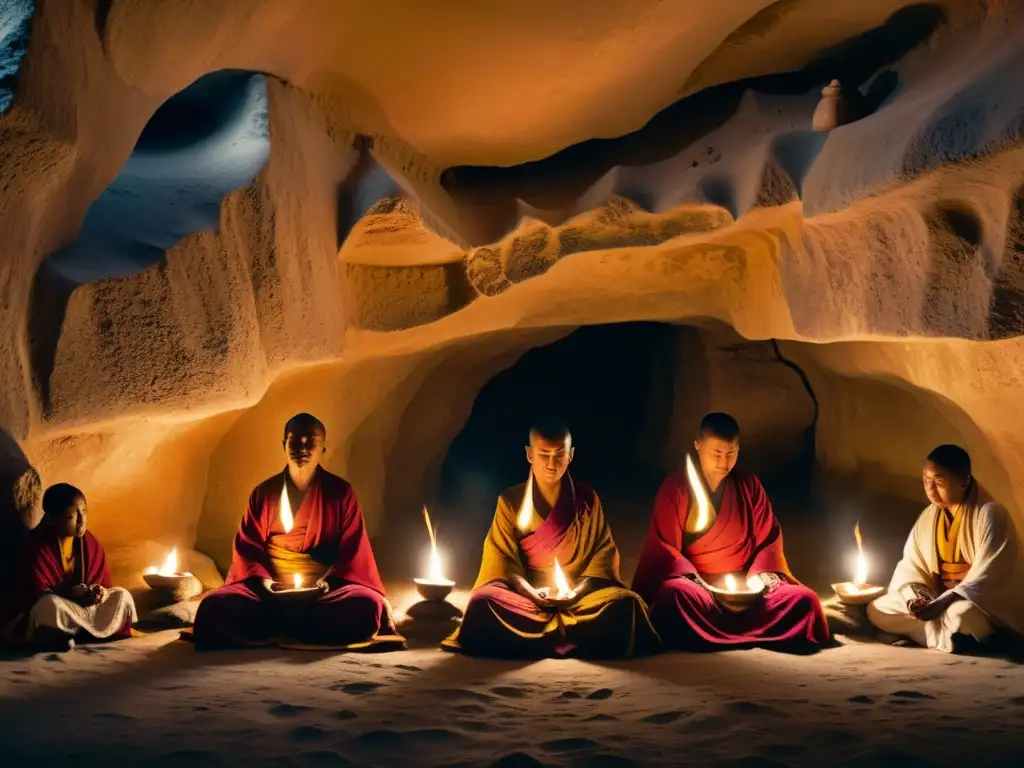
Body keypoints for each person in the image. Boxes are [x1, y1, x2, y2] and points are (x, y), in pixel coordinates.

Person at [443, 419, 659, 658]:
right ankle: (577, 636)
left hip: (580, 598)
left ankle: (533, 640)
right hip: (526, 598)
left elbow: (602, 555)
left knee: (627, 604)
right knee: (482, 603)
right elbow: (503, 561)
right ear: (529, 454)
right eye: (543, 454)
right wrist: (532, 595)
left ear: (571, 455)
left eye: (559, 455)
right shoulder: (510, 501)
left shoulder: (587, 500)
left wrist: (576, 593)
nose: (551, 463)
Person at [191, 413, 403, 650]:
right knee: (214, 606)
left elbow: (352, 549)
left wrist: (327, 583)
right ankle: (302, 628)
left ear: (323, 447)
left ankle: (278, 626)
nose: (302, 447)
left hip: (323, 589)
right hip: (270, 589)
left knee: (365, 606)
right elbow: (247, 548)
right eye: (294, 440)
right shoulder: (264, 493)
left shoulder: (340, 493)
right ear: (284, 444)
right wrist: (264, 583)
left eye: (310, 441)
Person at [631, 412, 829, 652]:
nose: (723, 463)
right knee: (673, 596)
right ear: (698, 445)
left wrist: (761, 577)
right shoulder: (676, 488)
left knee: (805, 601)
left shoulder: (749, 485)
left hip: (747, 588)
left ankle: (720, 633)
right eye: (716, 453)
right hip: (700, 590)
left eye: (731, 453)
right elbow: (665, 549)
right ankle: (746, 631)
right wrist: (697, 582)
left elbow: (769, 541)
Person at [867, 445, 1024, 653]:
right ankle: (951, 640)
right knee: (877, 608)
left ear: (964, 481)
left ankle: (930, 636)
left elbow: (989, 578)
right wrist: (916, 599)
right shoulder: (928, 517)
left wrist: (945, 600)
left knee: (963, 615)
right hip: (935, 601)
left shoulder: (991, 514)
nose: (930, 490)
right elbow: (911, 566)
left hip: (971, 604)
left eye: (938, 482)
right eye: (926, 481)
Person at [1, 483, 136, 651]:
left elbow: (102, 582)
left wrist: (97, 591)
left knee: (122, 596)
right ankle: (58, 636)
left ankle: (80, 633)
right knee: (50, 605)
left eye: (84, 512)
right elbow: (33, 595)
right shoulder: (36, 546)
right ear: (53, 518)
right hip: (60, 611)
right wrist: (70, 595)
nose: (82, 520)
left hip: (86, 611)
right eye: (72, 516)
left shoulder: (90, 543)